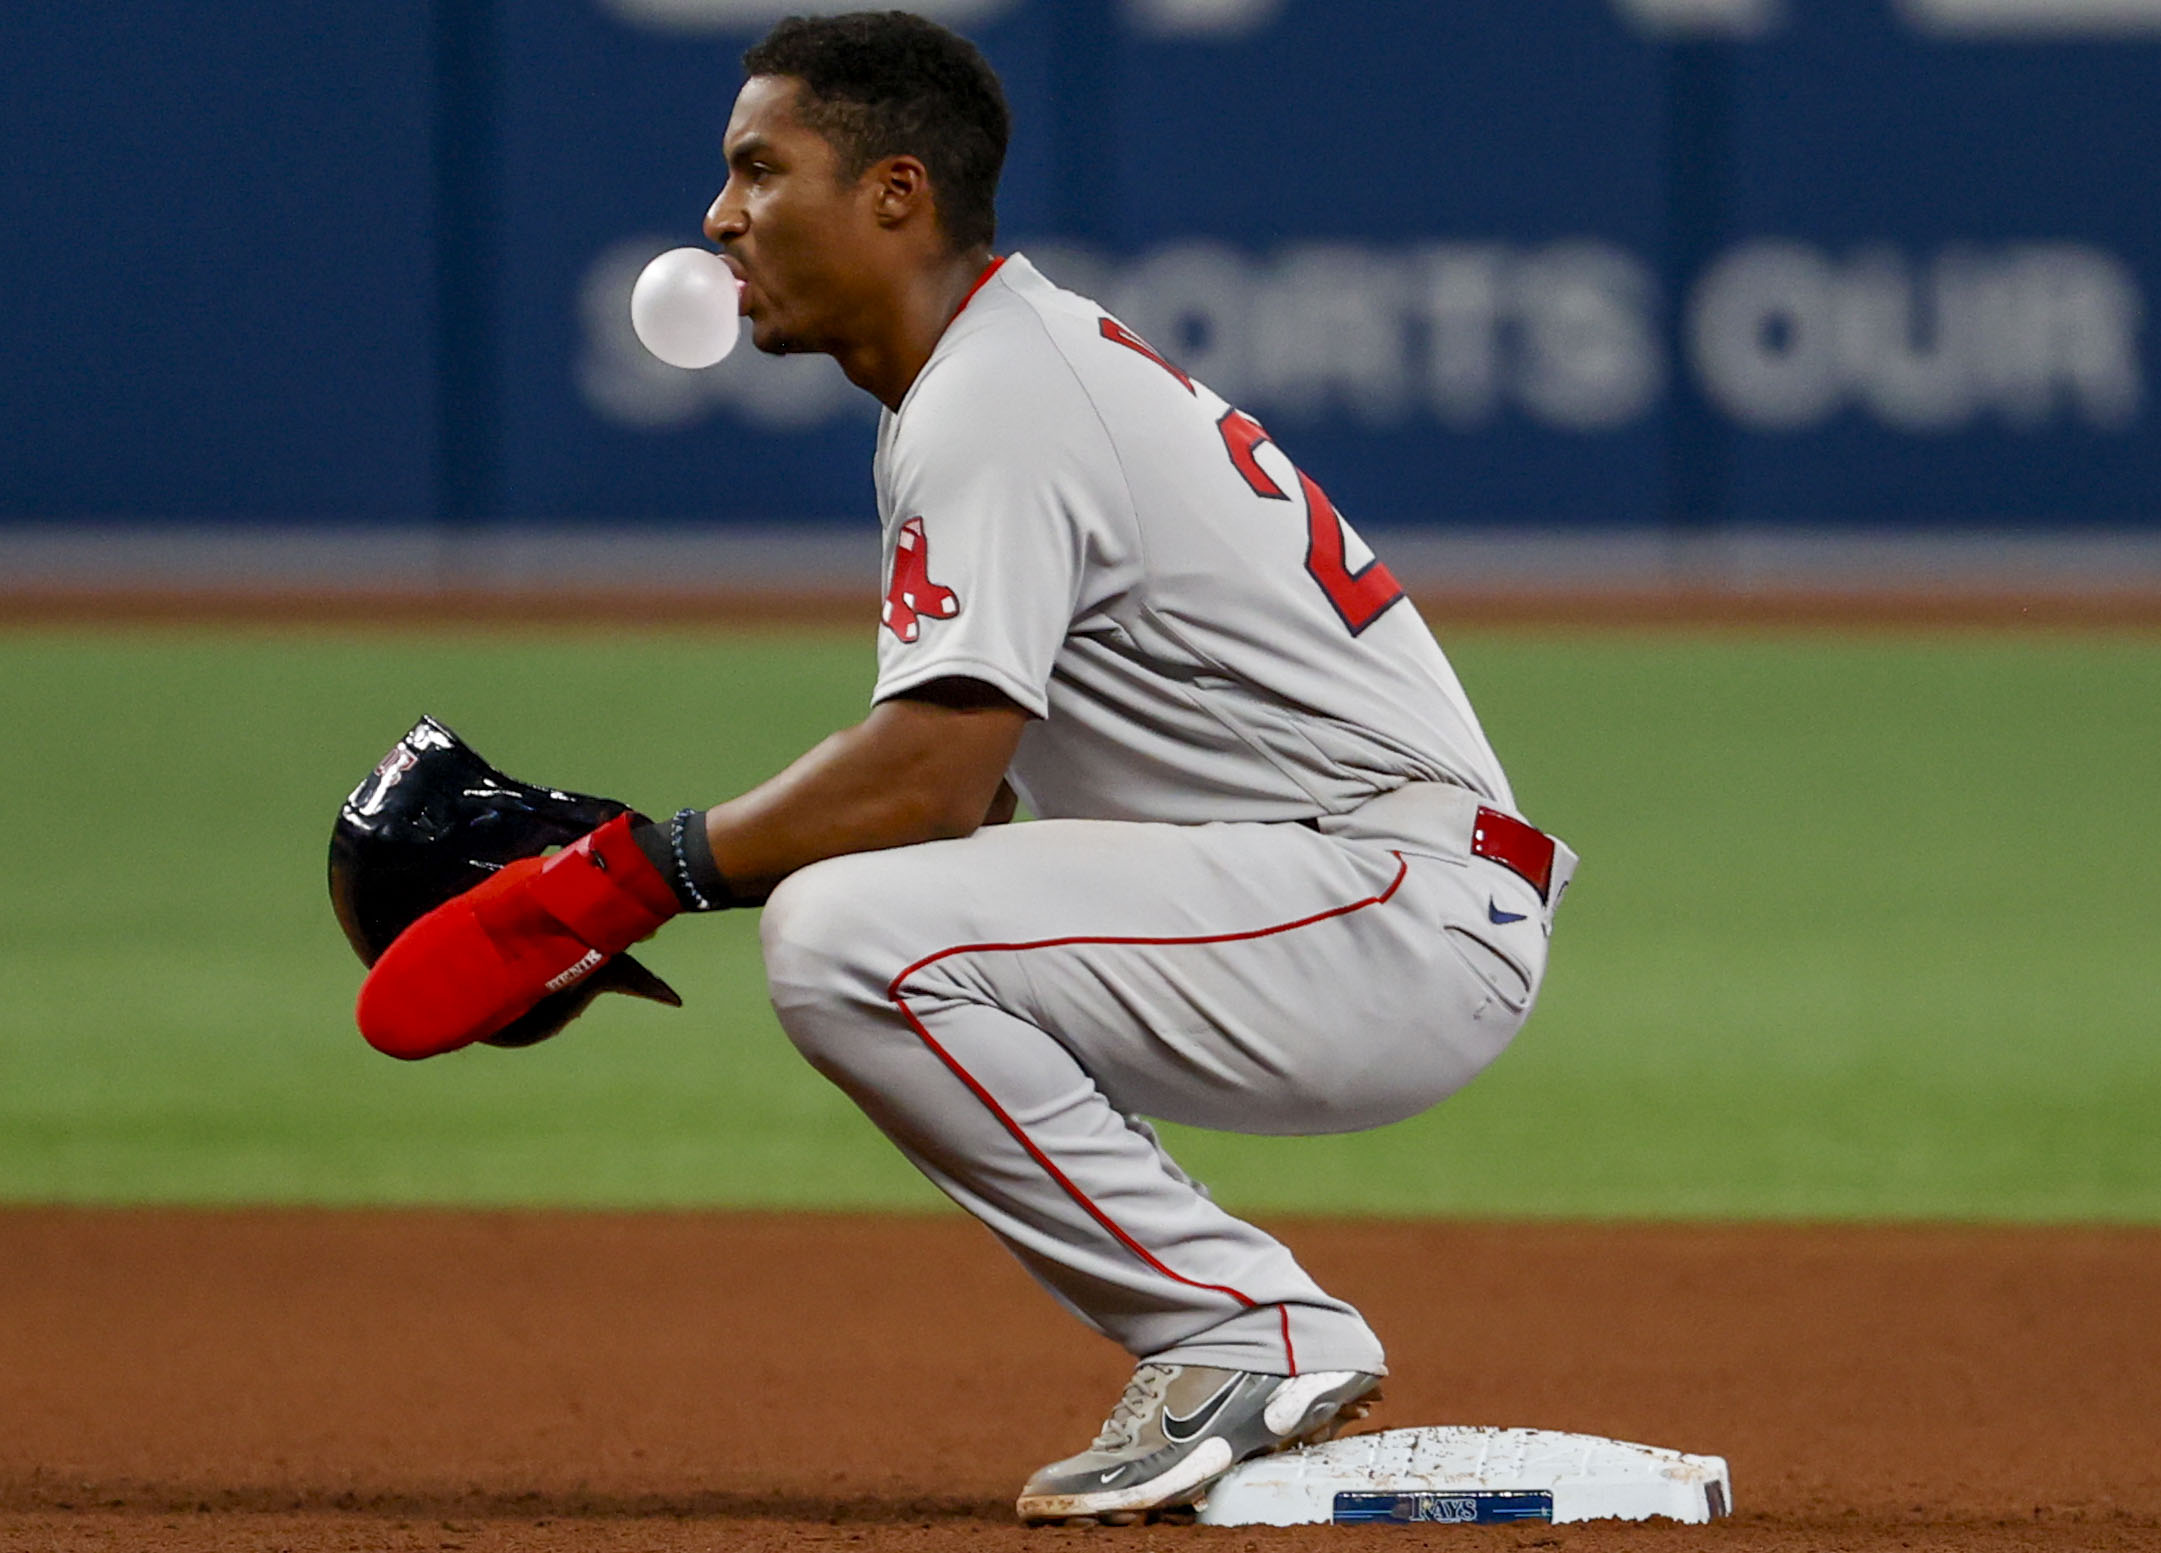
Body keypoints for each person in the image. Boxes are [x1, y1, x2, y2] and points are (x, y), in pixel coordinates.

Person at [356, 9, 1575, 1526]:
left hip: (1377, 904)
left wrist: (612, 883)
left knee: (843, 936)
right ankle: (1236, 1322)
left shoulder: (997, 395)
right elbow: (967, 801)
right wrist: (635, 874)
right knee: (866, 910)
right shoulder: (990, 370)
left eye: (758, 168)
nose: (717, 215)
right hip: (1343, 890)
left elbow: (924, 784)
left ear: (893, 193)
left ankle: (1242, 1328)